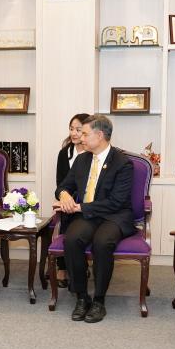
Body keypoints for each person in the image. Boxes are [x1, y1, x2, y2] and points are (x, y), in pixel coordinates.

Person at [54, 114, 134, 324]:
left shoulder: (122, 163)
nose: (80, 138)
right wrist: (64, 195)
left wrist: (79, 207)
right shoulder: (82, 160)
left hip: (114, 216)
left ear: (99, 135)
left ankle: (99, 300)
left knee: (102, 242)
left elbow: (116, 202)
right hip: (89, 215)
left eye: (85, 134)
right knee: (72, 239)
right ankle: (81, 297)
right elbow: (63, 186)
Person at [54, 113, 92, 287]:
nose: (74, 133)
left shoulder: (93, 153)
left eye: (79, 130)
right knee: (66, 216)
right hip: (68, 201)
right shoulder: (64, 154)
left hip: (88, 203)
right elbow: (60, 184)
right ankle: (63, 267)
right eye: (71, 129)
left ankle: (79, 266)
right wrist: (66, 197)